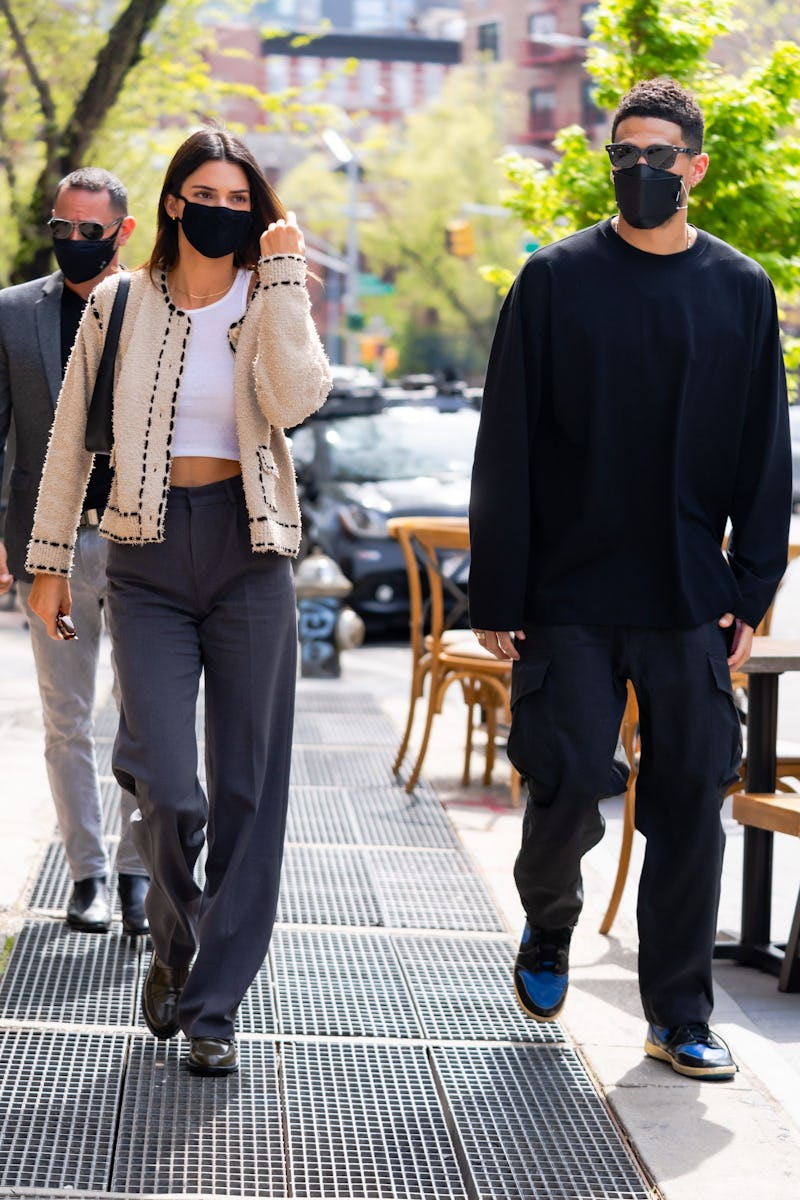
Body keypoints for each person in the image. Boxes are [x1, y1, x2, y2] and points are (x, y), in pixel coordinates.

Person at [468, 78, 792, 1081]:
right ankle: (547, 923)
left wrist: (750, 583)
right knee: (564, 786)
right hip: (566, 595)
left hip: (688, 596)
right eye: (623, 152)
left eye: (658, 154)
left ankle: (679, 1013)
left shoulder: (737, 290)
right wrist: (499, 595)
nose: (638, 169)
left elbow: (762, 454)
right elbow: (506, 443)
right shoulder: (554, 280)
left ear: (693, 167)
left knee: (691, 798)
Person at [25, 125, 332, 1076]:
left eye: (243, 200)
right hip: (146, 556)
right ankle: (170, 938)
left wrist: (279, 281)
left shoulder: (270, 294)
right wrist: (44, 560)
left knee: (247, 787)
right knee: (165, 779)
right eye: (208, 193)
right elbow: (70, 438)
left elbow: (297, 400)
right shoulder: (119, 303)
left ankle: (213, 1008)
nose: (224, 211)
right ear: (170, 201)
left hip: (250, 554)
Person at [0, 168, 149, 937]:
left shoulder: (155, 309)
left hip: (139, 547)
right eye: (62, 229)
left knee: (145, 717)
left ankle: (136, 873)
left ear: (121, 232)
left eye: (89, 231)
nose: (72, 243)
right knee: (65, 720)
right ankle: (86, 875)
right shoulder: (14, 312)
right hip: (47, 551)